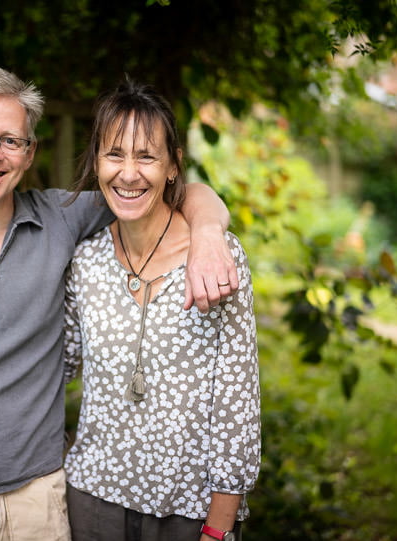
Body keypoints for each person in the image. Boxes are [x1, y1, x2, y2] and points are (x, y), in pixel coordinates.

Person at [0, 65, 237, 541]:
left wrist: (210, 233)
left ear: (30, 154)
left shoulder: (59, 219)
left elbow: (163, 190)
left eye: (11, 140)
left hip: (37, 502)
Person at [61, 80, 261, 541]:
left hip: (187, 510)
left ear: (173, 166)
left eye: (146, 157)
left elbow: (237, 407)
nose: (128, 174)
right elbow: (51, 366)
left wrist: (218, 528)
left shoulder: (215, 257)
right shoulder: (86, 260)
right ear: (96, 163)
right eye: (114, 154)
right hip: (92, 500)